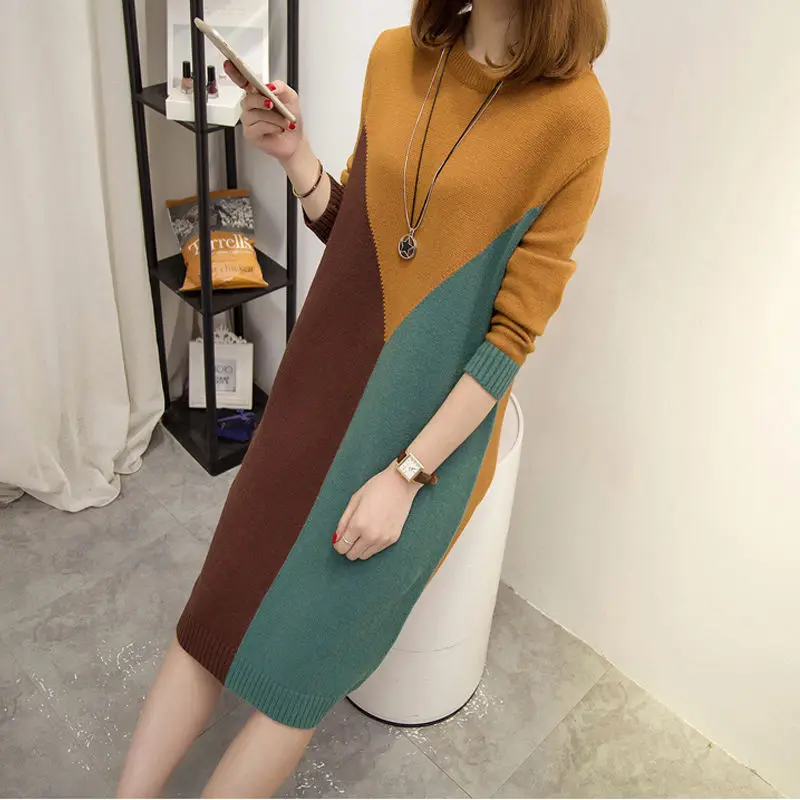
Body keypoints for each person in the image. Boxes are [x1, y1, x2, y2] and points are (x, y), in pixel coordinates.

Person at [117, 0, 610, 795]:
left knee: (298, 678)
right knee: (214, 617)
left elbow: (511, 338)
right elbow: (359, 236)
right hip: (317, 393)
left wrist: (406, 477)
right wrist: (296, 158)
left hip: (425, 442)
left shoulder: (575, 117)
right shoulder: (395, 56)